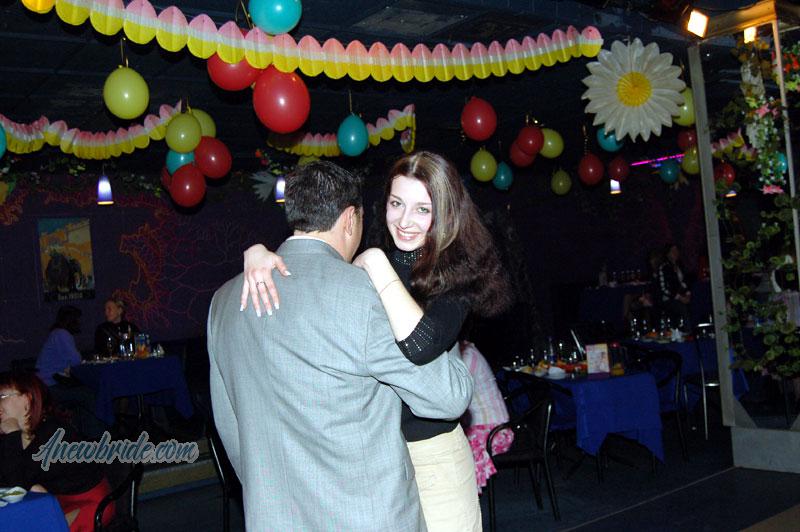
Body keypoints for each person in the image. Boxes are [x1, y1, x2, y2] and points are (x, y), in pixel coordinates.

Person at [242, 151, 511, 531]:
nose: (404, 221)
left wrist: (376, 263)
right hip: (377, 458)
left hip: (432, 455)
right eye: (396, 204)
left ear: (445, 214)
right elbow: (316, 285)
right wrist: (257, 253)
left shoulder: (456, 271)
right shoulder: (378, 260)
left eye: (422, 209)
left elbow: (420, 346)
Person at [0, 371, 114, 531]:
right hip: (53, 502)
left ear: (27, 398)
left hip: (89, 503)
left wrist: (12, 435)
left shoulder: (54, 433)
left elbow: (16, 488)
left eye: (2, 396)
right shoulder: (14, 434)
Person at [36, 306, 104, 438]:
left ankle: (85, 433)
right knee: (89, 394)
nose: (79, 323)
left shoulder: (56, 334)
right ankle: (96, 436)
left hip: (44, 385)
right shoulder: (62, 334)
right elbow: (76, 359)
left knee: (84, 393)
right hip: (50, 387)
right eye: (77, 320)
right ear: (71, 320)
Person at [459, 340, 513, 493]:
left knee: (458, 451)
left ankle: (467, 497)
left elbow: (454, 394)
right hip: (482, 425)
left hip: (495, 430)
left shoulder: (468, 356)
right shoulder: (464, 353)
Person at [656, 243, 692, 330]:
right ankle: (686, 331)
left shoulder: (680, 266)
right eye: (673, 251)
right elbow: (664, 289)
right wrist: (679, 297)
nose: (676, 253)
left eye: (676, 250)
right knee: (681, 308)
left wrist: (688, 294)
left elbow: (684, 283)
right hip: (669, 298)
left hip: (681, 296)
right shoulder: (663, 267)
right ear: (668, 254)